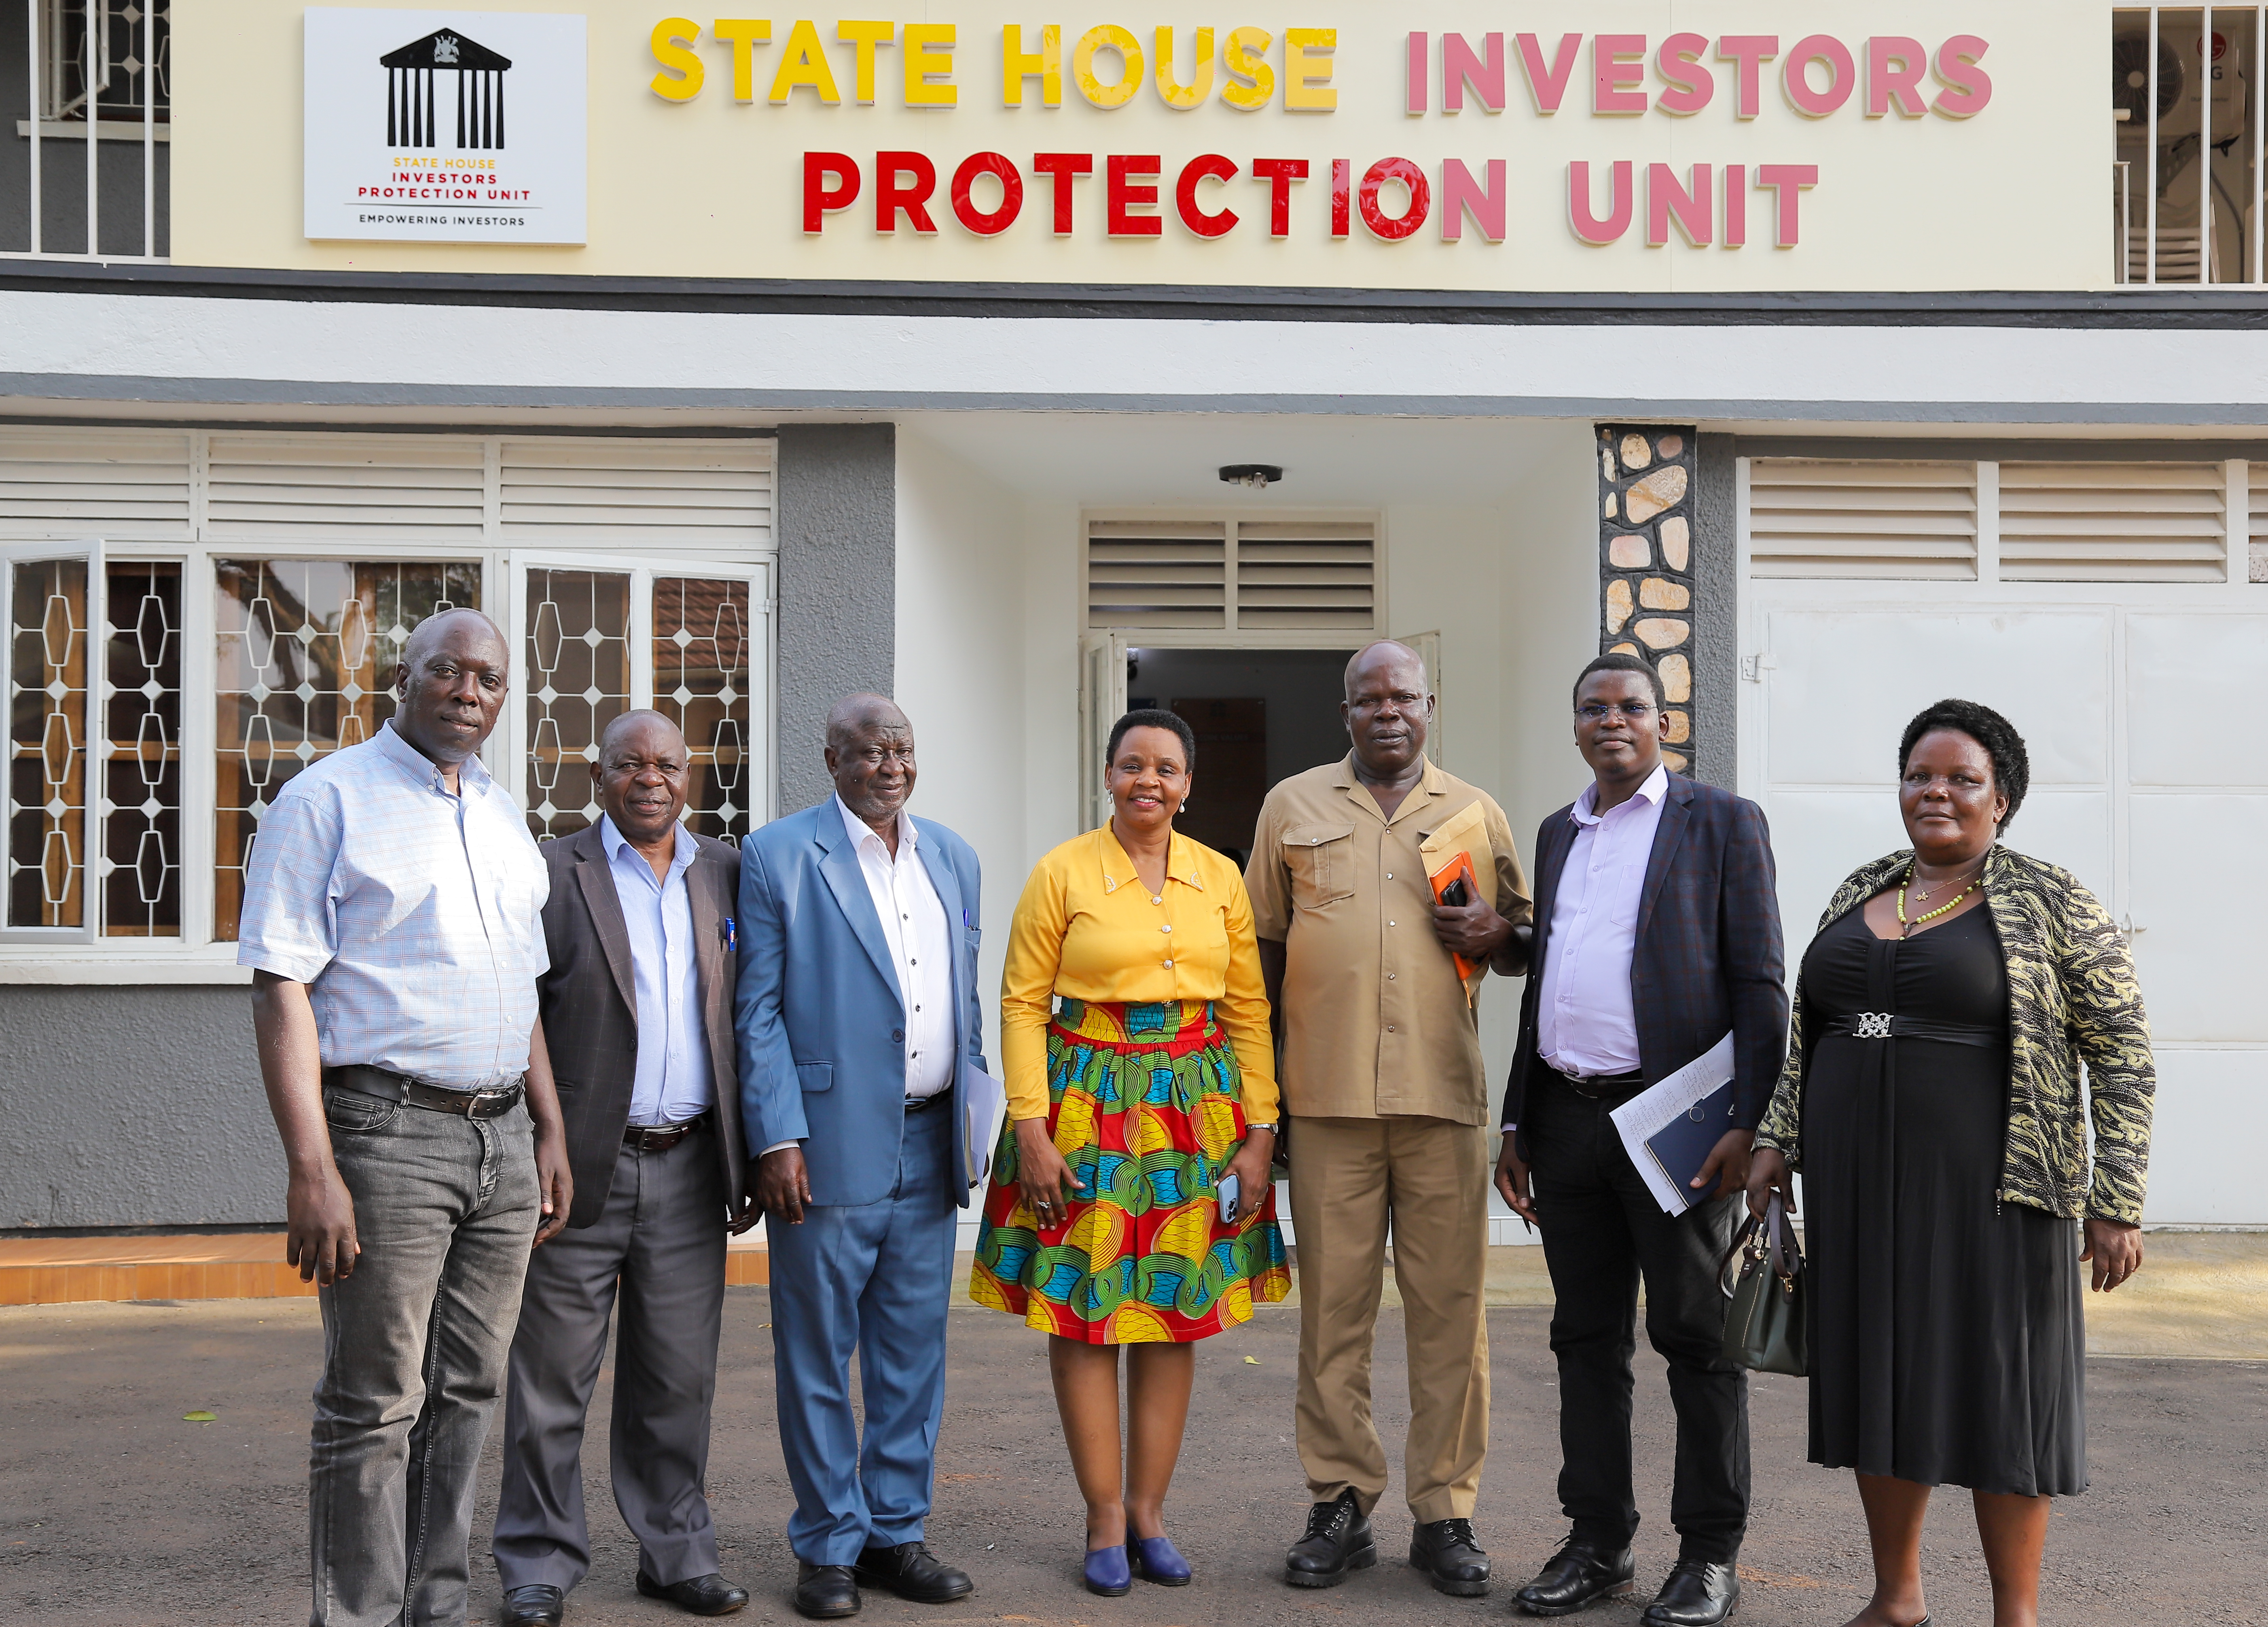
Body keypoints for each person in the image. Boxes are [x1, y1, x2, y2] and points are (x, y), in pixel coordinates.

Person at [1749, 699, 2154, 1627]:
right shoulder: (1861, 888)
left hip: (1996, 1187)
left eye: (1960, 778)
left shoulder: (2050, 898)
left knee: (2001, 1393)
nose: (1935, 791)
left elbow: (2121, 1050)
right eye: (1918, 775)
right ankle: (1896, 1598)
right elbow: (1806, 1038)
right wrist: (1778, 1137)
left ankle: (2016, 1614)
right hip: (1857, 1184)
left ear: (1999, 798)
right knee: (1877, 1379)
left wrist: (2116, 1196)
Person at [237, 608, 573, 1627]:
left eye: (489, 679)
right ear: (404, 677)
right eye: (449, 672)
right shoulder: (326, 799)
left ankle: (435, 1605)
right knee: (375, 1400)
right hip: (386, 1136)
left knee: (469, 1388)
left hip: (504, 1139)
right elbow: (278, 985)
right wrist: (312, 1167)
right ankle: (357, 1615)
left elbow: (522, 990)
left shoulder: (503, 814)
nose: (470, 691)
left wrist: (547, 1129)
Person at [970, 708, 1289, 1597]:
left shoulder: (1218, 877)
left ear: (1187, 784)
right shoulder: (1061, 871)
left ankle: (1150, 1512)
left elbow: (1247, 1012)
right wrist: (1030, 1128)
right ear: (1108, 775)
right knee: (1084, 1314)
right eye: (1132, 765)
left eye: (1167, 768)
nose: (1148, 780)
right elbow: (1023, 1002)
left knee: (1170, 1310)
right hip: (1082, 1105)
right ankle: (1103, 1515)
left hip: (1195, 1110)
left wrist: (1259, 1133)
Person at [1497, 652, 1787, 1627]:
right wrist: (1515, 1123)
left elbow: (1758, 985)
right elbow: (1545, 985)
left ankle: (1708, 1553)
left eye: (1629, 706)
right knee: (1584, 1339)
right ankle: (1597, 1540)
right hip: (1566, 1122)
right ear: (1573, 723)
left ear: (1662, 722)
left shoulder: (1720, 821)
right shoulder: (1556, 831)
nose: (1609, 720)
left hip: (1675, 1130)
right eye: (1592, 707)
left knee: (1695, 1341)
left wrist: (1748, 1124)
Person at [1243, 641, 1532, 1597]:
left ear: (1429, 704)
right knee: (1332, 1313)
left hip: (1442, 1100)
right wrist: (1266, 1097)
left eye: (1401, 696)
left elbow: (1529, 941)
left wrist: (1500, 932)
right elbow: (1263, 955)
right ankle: (1339, 1501)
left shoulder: (1474, 811)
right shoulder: (1291, 805)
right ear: (1346, 712)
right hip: (1325, 1104)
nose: (1386, 712)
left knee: (1452, 1315)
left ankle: (1445, 1512)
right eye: (1367, 698)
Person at [493, 712, 756, 1625]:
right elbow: (517, 1007)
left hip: (689, 1165)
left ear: (692, 775)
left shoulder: (725, 869)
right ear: (596, 773)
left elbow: (750, 1017)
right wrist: (545, 1133)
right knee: (550, 1381)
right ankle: (536, 1562)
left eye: (669, 764)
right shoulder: (552, 870)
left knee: (677, 1381)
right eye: (630, 763)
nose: (652, 778)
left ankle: (674, 1553)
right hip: (577, 1170)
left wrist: (754, 1149)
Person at [735, 694, 986, 1621]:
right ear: (831, 758)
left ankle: (894, 1534)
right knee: (815, 1354)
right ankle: (828, 1544)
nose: (890, 765)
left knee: (911, 1355)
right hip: (823, 1146)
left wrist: (977, 1117)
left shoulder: (952, 856)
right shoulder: (778, 854)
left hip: (930, 1141)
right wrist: (777, 1135)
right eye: (869, 751)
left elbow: (958, 1003)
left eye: (903, 748)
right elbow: (755, 1010)